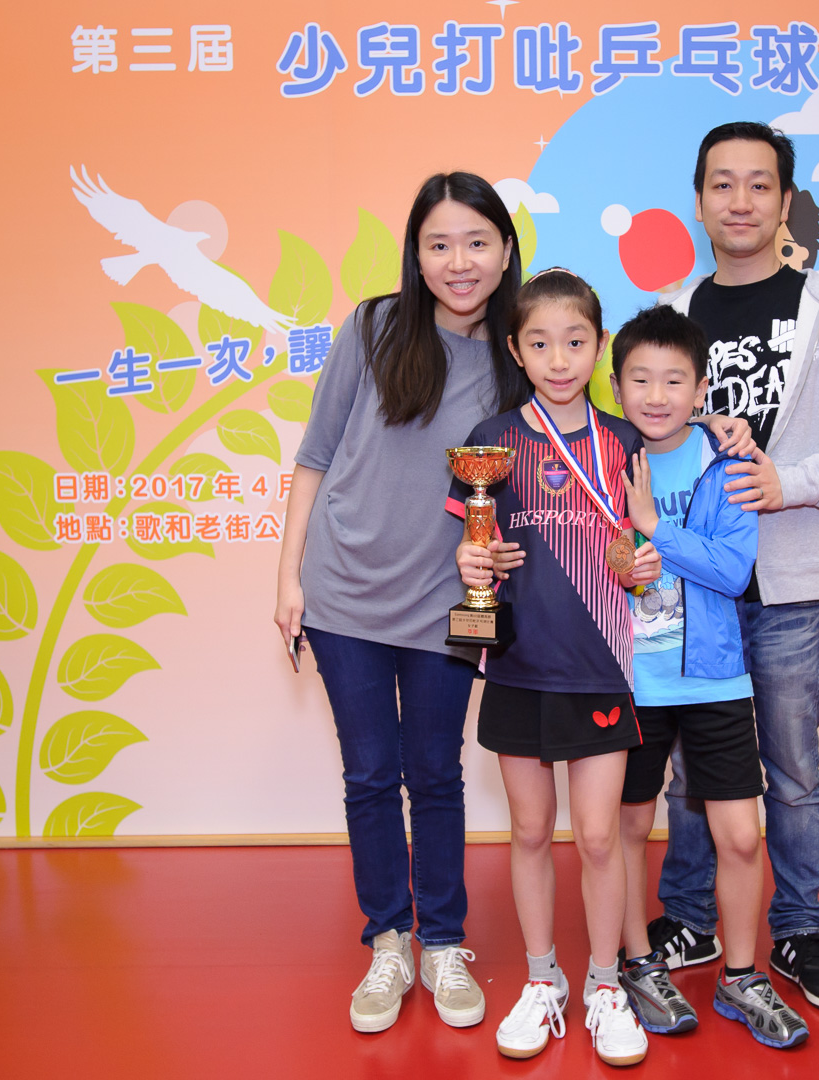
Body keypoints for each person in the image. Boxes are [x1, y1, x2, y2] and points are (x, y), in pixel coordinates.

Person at [649, 122, 819, 1011]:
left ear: (784, 200)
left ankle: (796, 930)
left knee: (791, 771)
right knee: (690, 768)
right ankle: (689, 917)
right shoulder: (675, 311)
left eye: (759, 184)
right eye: (722, 184)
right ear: (699, 200)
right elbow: (647, 424)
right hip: (694, 587)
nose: (740, 201)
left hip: (789, 584)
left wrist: (788, 483)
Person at [273, 172, 528, 1035]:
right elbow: (314, 456)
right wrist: (288, 578)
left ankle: (442, 942)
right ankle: (387, 940)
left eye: (476, 242)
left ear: (504, 251)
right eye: (438, 244)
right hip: (343, 594)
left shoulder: (521, 354)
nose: (459, 262)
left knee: (436, 775)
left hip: (447, 602)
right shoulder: (374, 327)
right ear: (416, 256)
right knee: (370, 776)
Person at [452, 269, 655, 1067]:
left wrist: (640, 563)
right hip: (517, 665)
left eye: (575, 342)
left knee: (599, 836)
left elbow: (640, 551)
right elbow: (471, 550)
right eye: (540, 343)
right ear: (515, 349)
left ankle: (604, 983)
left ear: (599, 346)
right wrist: (476, 561)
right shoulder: (490, 440)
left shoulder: (624, 442)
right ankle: (543, 979)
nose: (559, 359)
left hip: (600, 669)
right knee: (531, 830)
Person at [609, 305, 809, 1049]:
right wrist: (623, 554)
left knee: (741, 838)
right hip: (631, 685)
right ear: (616, 386)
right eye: (639, 379)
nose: (655, 395)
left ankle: (741, 975)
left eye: (674, 381)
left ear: (700, 391)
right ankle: (638, 962)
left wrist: (657, 529)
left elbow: (731, 571)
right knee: (628, 828)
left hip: (716, 683)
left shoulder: (728, 466)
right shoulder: (601, 461)